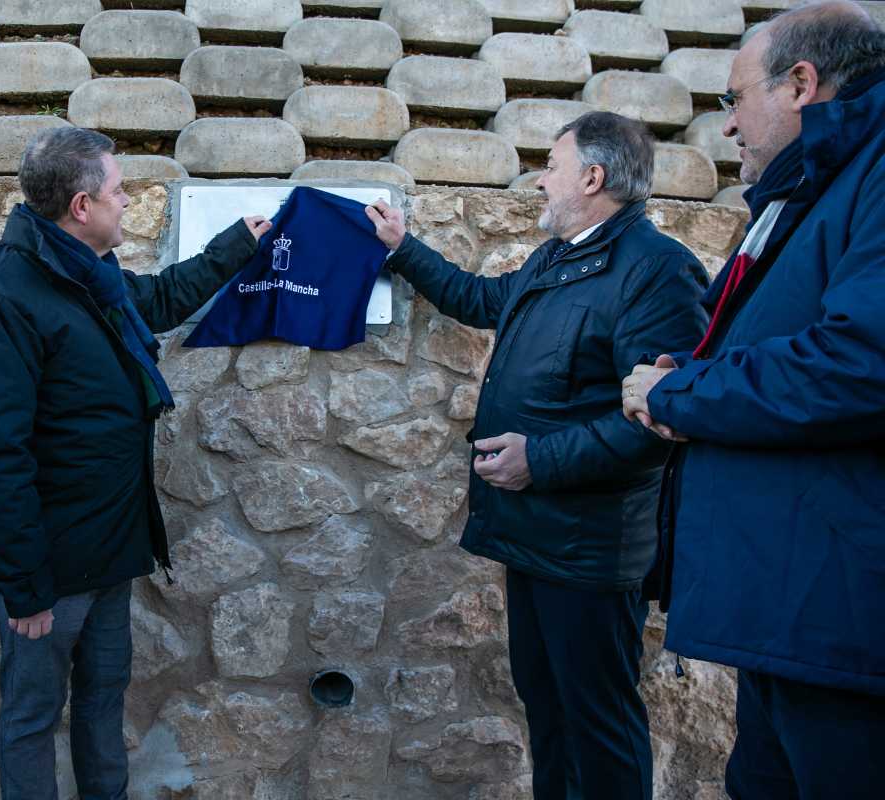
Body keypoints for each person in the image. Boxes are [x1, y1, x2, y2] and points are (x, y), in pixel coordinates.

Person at [366, 111, 709, 800]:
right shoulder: (557, 257)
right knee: (548, 712)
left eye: (551, 166)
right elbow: (484, 297)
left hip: (589, 551)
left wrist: (539, 460)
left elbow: (655, 423)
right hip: (533, 537)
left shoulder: (658, 271)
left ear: (593, 175)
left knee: (598, 725)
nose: (538, 181)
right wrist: (403, 249)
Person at [0, 127, 271, 799]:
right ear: (82, 206)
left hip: (111, 549)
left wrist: (237, 244)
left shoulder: (90, 276)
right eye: (120, 190)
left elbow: (159, 302)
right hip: (51, 573)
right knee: (32, 718)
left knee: (101, 704)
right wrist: (24, 585)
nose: (130, 200)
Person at [621, 3, 885, 798]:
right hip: (799, 614)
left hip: (844, 619)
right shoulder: (821, 184)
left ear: (801, 83)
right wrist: (697, 372)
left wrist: (683, 391)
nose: (728, 125)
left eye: (734, 98)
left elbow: (860, 364)